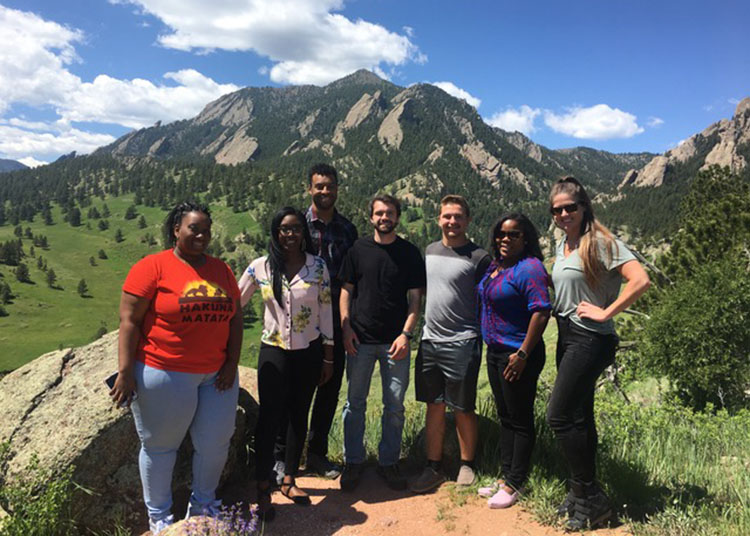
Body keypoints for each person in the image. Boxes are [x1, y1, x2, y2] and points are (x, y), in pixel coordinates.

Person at [111, 202, 242, 535]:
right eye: (193, 228)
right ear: (176, 230)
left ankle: (203, 506)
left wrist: (230, 362)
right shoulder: (152, 267)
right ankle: (160, 517)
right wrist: (125, 372)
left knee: (215, 443)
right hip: (165, 371)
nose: (201, 235)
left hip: (216, 375)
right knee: (160, 447)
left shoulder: (222, 270)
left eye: (206, 230)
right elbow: (129, 321)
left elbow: (236, 319)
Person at [547, 177, 650, 530]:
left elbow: (640, 280)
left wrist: (607, 312)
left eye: (569, 208)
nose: (563, 214)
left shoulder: (601, 243)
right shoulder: (565, 244)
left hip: (590, 338)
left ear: (583, 207)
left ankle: (592, 496)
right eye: (557, 209)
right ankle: (581, 494)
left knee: (558, 416)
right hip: (567, 335)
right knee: (579, 416)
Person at [238, 206, 334, 520]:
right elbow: (234, 304)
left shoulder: (317, 267)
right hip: (274, 352)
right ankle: (263, 487)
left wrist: (328, 356)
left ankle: (289, 479)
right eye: (284, 229)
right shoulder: (260, 267)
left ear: (303, 233)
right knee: (269, 419)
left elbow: (326, 312)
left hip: (308, 351)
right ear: (275, 233)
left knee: (298, 416)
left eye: (295, 228)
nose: (290, 234)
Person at [270, 164, 357, 481]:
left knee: (329, 387)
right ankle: (281, 455)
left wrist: (349, 322)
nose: (325, 191)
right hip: (299, 318)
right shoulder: (296, 224)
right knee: (290, 387)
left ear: (337, 189)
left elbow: (352, 278)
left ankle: (316, 453)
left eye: (330, 186)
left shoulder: (347, 230)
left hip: (334, 316)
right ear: (310, 188)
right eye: (319, 186)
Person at [338, 194, 426, 492]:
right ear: (371, 216)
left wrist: (406, 334)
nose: (384, 217)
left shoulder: (409, 253)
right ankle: (353, 461)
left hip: (395, 343)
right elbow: (346, 292)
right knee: (355, 403)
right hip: (359, 340)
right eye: (379, 213)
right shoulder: (358, 250)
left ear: (397, 217)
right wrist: (345, 327)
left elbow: (416, 300)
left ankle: (389, 462)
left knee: (395, 405)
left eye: (389, 213)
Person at [410, 195, 491, 493]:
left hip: (463, 340)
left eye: (458, 216)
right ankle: (434, 467)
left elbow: (489, 299)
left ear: (468, 220)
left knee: (463, 407)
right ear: (438, 219)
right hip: (430, 341)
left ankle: (467, 465)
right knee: (434, 406)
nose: (452, 222)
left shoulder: (479, 257)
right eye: (447, 216)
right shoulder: (429, 251)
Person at [476, 213, 551, 509]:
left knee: (520, 419)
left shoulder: (529, 268)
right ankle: (505, 476)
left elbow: (541, 311)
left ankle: (516, 482)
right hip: (496, 352)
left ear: (526, 238)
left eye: (514, 234)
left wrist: (522, 354)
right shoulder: (497, 266)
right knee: (506, 416)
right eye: (502, 234)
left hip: (518, 354)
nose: (506, 239)